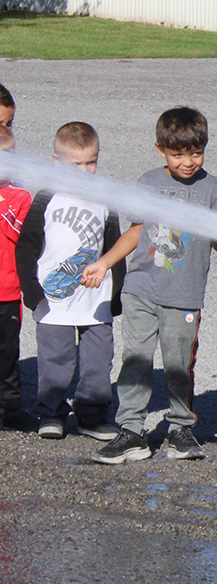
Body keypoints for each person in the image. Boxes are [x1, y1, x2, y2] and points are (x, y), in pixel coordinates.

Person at [82, 107, 217, 464]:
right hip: (140, 289)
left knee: (178, 364)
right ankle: (132, 430)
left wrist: (216, 229)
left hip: (184, 296)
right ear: (160, 149)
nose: (187, 162)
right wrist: (105, 263)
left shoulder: (213, 189)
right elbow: (137, 231)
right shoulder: (148, 183)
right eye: (178, 154)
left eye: (196, 152)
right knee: (135, 358)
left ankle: (180, 428)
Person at [15, 122, 125, 440]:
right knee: (55, 360)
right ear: (56, 161)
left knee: (98, 361)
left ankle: (92, 416)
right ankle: (51, 413)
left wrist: (116, 292)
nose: (85, 171)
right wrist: (32, 291)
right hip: (53, 300)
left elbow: (115, 245)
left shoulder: (106, 199)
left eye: (91, 162)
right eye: (76, 164)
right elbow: (27, 246)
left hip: (96, 300)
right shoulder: (46, 198)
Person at [0, 126, 34, 431]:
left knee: (8, 351)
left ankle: (11, 407)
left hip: (7, 291)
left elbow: (21, 237)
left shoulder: (20, 196)